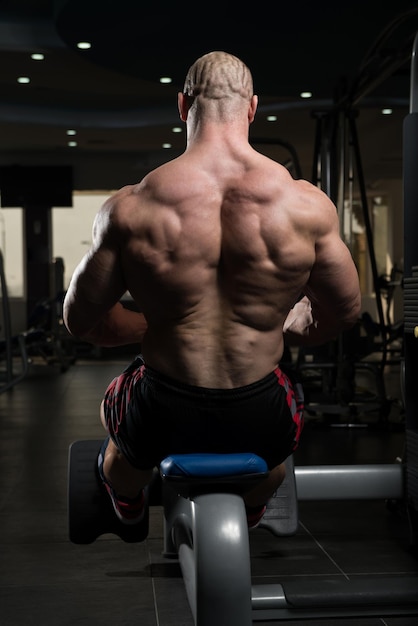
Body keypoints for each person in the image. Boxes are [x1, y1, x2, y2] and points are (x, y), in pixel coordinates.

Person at [63, 51, 361, 528]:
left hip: (162, 404)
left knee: (114, 418)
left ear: (183, 105)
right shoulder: (306, 207)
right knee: (275, 458)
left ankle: (128, 500)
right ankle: (255, 502)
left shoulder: (130, 208)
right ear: (252, 108)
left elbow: (82, 322)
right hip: (257, 406)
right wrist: (285, 322)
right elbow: (344, 311)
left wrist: (165, 324)